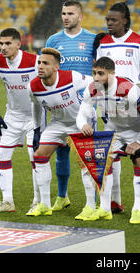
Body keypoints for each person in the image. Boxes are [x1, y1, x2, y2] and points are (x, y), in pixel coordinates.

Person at [76, 57, 140, 223]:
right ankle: (105, 208)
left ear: (112, 73)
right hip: (114, 130)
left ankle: (138, 208)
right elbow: (83, 111)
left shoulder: (128, 90)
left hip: (137, 129)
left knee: (139, 162)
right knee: (103, 163)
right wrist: (83, 124)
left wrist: (138, 141)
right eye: (94, 73)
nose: (96, 78)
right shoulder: (92, 88)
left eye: (101, 74)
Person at [95, 2, 140, 213]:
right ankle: (113, 202)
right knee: (110, 156)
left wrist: (137, 95)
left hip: (136, 108)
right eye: (108, 20)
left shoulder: (139, 42)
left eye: (114, 20)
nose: (109, 23)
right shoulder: (103, 42)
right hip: (111, 108)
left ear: (125, 20)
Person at [44, 0, 96, 212]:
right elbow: (47, 69)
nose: (66, 17)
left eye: (70, 13)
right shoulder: (54, 40)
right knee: (62, 152)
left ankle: (93, 202)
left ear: (80, 16)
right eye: (63, 13)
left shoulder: (93, 39)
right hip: (61, 106)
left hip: (86, 106)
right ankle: (62, 196)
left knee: (88, 154)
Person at [27, 47, 91, 216]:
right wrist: (36, 129)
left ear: (56, 67)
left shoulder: (71, 77)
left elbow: (95, 84)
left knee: (86, 162)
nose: (40, 66)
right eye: (39, 62)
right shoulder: (33, 86)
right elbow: (36, 107)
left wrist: (90, 110)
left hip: (79, 123)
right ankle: (45, 205)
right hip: (57, 124)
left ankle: (90, 207)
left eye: (45, 63)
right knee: (39, 155)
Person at [0, 28, 42, 215]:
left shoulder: (33, 61)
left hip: (34, 116)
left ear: (19, 44)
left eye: (8, 43)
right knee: (2, 154)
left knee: (34, 156)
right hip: (12, 116)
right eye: (1, 43)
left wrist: (38, 124)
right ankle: (7, 201)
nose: (3, 47)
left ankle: (38, 201)